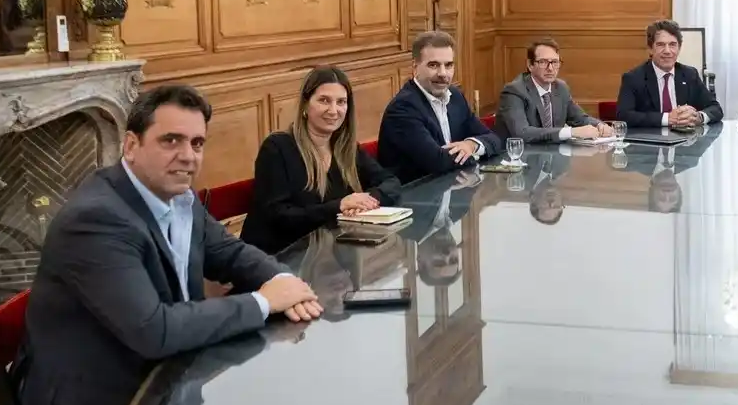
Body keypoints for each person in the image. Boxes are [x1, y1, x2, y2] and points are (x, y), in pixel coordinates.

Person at [19, 85, 322, 405]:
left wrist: (283, 282)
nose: (188, 156)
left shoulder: (180, 197)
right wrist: (264, 301)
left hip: (168, 389)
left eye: (197, 143)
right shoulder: (97, 219)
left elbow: (229, 252)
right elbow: (154, 330)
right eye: (171, 140)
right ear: (131, 145)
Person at [241, 66, 402, 254]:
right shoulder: (277, 148)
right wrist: (339, 206)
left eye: (341, 102)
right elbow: (279, 217)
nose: (334, 110)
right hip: (278, 257)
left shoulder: (346, 148)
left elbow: (391, 183)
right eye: (324, 100)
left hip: (327, 254)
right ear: (305, 105)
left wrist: (367, 201)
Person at [378, 30, 503, 182]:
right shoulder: (403, 108)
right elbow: (437, 162)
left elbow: (494, 139)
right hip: (414, 198)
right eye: (433, 65)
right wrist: (475, 153)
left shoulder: (455, 97)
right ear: (415, 68)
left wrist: (471, 145)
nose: (443, 73)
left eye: (449, 65)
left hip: (450, 190)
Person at [496, 37, 613, 143]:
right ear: (530, 65)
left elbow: (579, 118)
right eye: (543, 62)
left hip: (552, 157)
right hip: (518, 160)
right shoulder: (514, 91)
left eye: (555, 62)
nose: (550, 68)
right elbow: (522, 133)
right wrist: (570, 132)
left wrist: (599, 125)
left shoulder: (560, 88)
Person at [616, 19, 723, 128]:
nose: (667, 51)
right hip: (651, 141)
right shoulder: (633, 78)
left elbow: (715, 108)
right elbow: (624, 116)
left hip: (685, 141)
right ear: (650, 49)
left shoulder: (690, 74)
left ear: (679, 48)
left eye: (672, 45)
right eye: (661, 45)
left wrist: (699, 117)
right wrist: (668, 118)